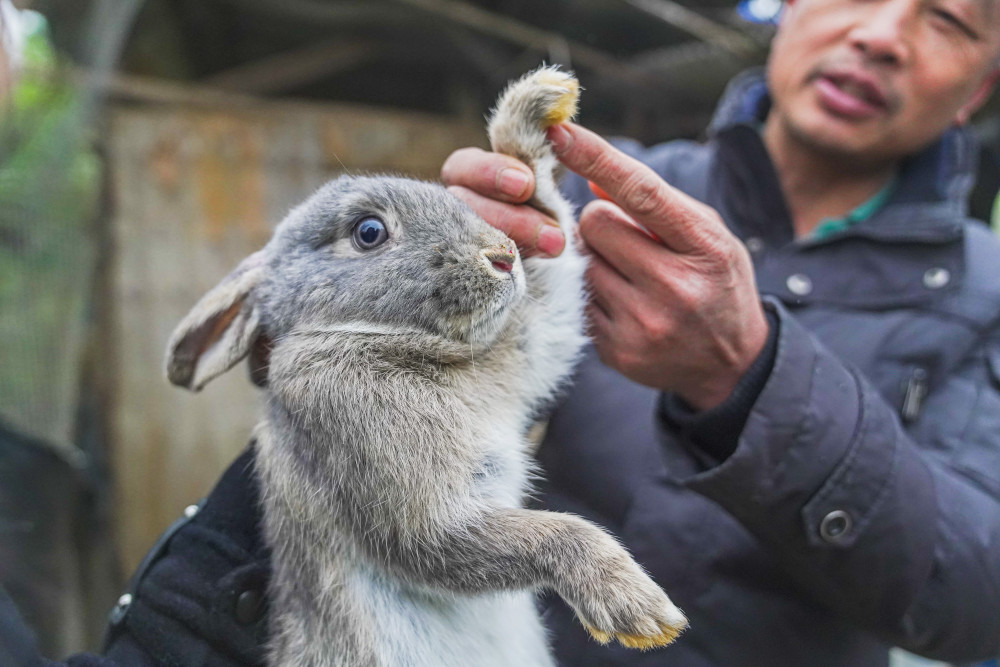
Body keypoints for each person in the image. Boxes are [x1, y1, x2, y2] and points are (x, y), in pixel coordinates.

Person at [4, 0, 1000, 664]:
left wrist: (754, 379)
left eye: (950, 15)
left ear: (978, 85)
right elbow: (490, 373)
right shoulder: (608, 185)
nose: (880, 32)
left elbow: (980, 591)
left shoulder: (983, 287)